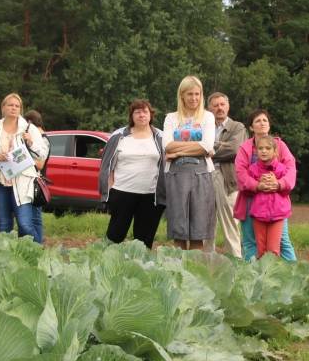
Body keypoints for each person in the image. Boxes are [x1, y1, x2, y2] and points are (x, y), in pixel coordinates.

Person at [98, 99, 167, 248]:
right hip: (122, 192)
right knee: (115, 236)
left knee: (143, 242)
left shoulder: (161, 137)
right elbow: (107, 165)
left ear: (151, 115)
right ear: (132, 115)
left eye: (145, 111)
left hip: (150, 196)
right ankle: (109, 266)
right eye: (137, 112)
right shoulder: (119, 136)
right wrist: (109, 191)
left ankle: (139, 269)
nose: (141, 115)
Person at [0, 93, 48, 240]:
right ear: (3, 108)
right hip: (0, 184)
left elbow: (42, 155)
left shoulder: (29, 129)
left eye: (17, 106)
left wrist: (30, 143)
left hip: (23, 183)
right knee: (4, 226)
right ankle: (8, 259)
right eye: (10, 105)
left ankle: (35, 253)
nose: (14, 108)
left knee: (25, 224)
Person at [234, 109, 298, 261]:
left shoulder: (280, 146)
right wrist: (257, 185)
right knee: (251, 243)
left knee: (282, 242)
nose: (262, 123)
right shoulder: (245, 148)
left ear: (269, 125)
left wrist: (278, 184)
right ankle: (252, 277)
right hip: (251, 202)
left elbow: (290, 170)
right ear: (251, 127)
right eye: (257, 121)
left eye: (265, 120)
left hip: (276, 203)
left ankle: (295, 276)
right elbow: (240, 173)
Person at [162, 76, 217, 252]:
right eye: (190, 94)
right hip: (176, 176)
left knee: (197, 230)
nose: (194, 98)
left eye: (197, 94)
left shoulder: (207, 117)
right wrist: (197, 147)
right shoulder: (171, 118)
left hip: (201, 175)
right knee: (179, 229)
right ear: (182, 95)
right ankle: (178, 270)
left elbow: (207, 145)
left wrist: (177, 152)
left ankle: (194, 271)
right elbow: (167, 145)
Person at [208, 92, 247, 257]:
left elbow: (235, 149)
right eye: (215, 105)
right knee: (206, 224)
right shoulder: (204, 126)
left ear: (228, 106)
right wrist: (219, 146)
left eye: (222, 104)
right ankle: (205, 265)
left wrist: (208, 149)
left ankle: (236, 264)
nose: (219, 108)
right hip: (206, 176)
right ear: (209, 108)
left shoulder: (237, 127)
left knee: (230, 224)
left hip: (228, 179)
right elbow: (198, 145)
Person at [247, 134, 293, 257]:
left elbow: (287, 189)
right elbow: (247, 189)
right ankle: (262, 275)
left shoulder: (282, 169)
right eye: (260, 148)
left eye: (268, 148)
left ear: (275, 151)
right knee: (261, 250)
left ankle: (273, 275)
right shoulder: (252, 169)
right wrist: (258, 184)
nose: (264, 151)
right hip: (258, 215)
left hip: (277, 215)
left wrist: (277, 183)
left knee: (273, 250)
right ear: (256, 151)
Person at [23, 109, 50, 243]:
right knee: (34, 217)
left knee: (35, 218)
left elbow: (40, 164)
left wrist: (22, 160)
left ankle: (37, 245)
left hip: (36, 183)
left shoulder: (42, 140)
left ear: (29, 123)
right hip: (33, 182)